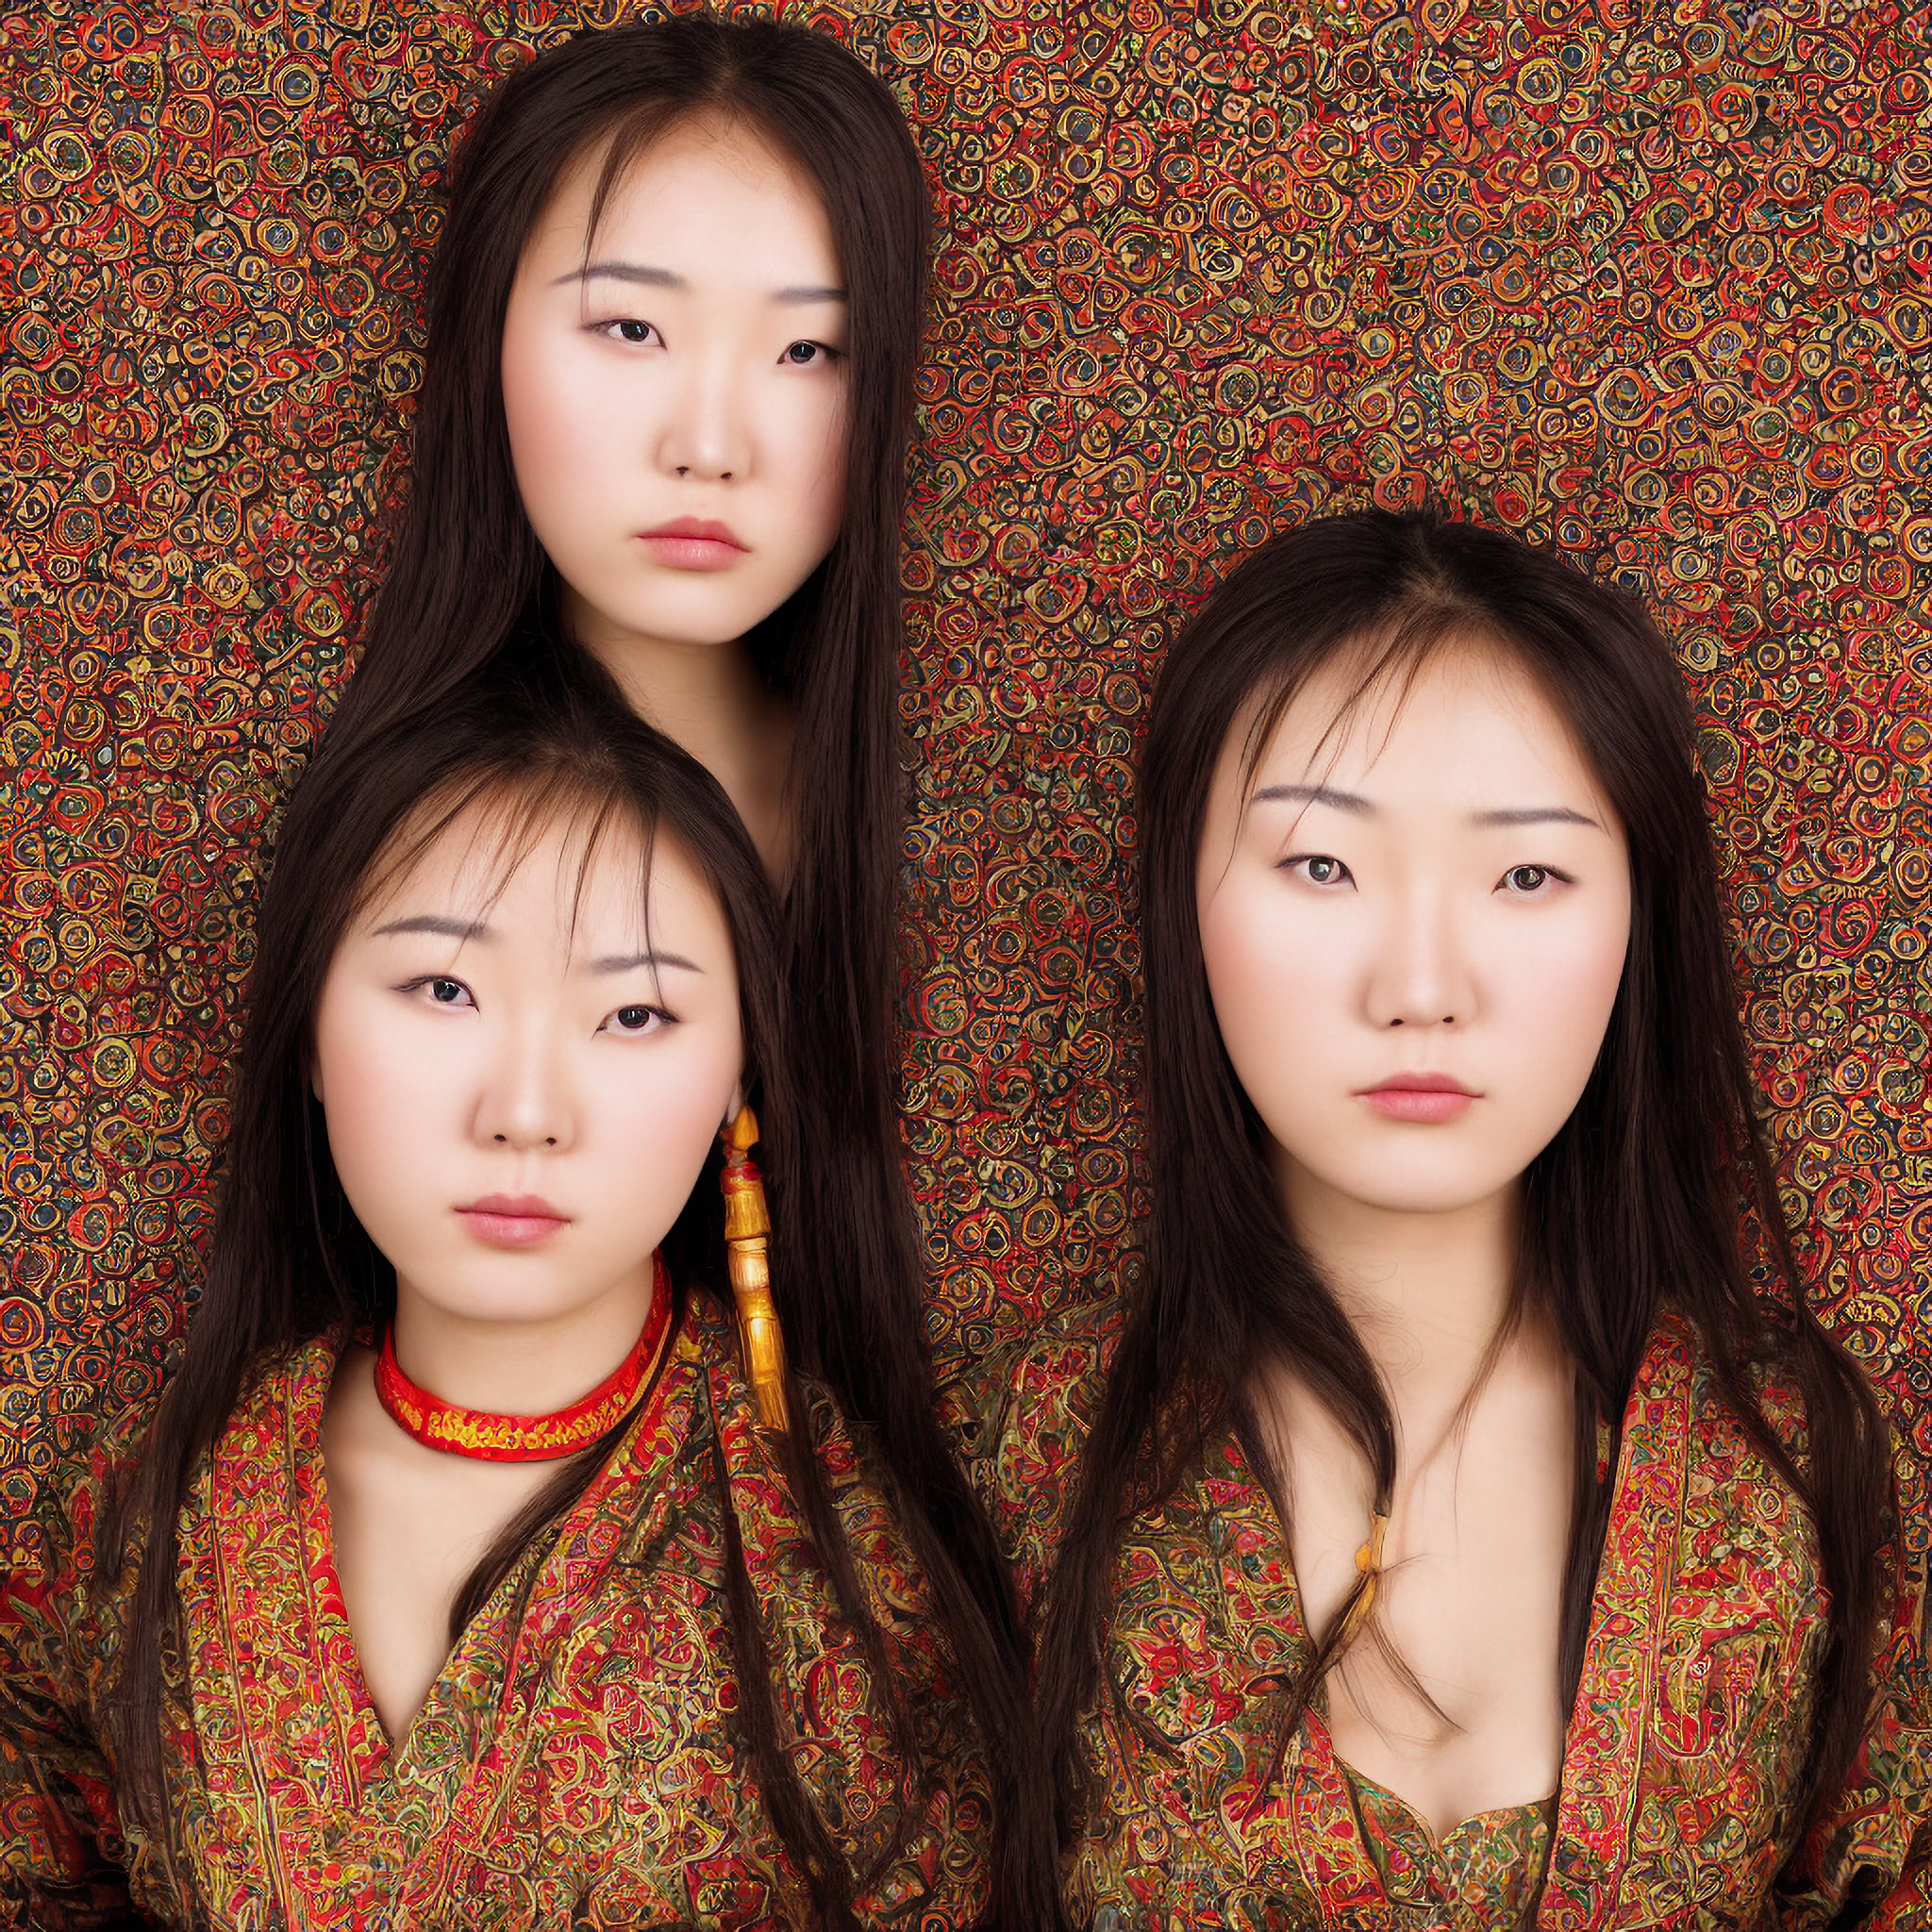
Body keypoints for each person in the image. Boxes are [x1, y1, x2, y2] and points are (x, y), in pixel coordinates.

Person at [308, 11, 1027, 1896]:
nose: (713, 435)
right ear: (485, 336)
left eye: (811, 351)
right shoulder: (367, 826)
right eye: (627, 328)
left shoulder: (966, 857)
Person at [977, 512, 1929, 1928]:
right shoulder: (1022, 1467)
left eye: (1526, 875)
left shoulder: (1787, 1461)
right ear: (1179, 897)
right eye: (1322, 867)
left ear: (1638, 919)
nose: (1422, 986)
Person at [0, 646, 994, 1929]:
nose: (525, 1112)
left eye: (634, 1015)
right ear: (308, 1027)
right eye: (443, 988)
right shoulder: (137, 1515)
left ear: (741, 1077)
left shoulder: (849, 1562)